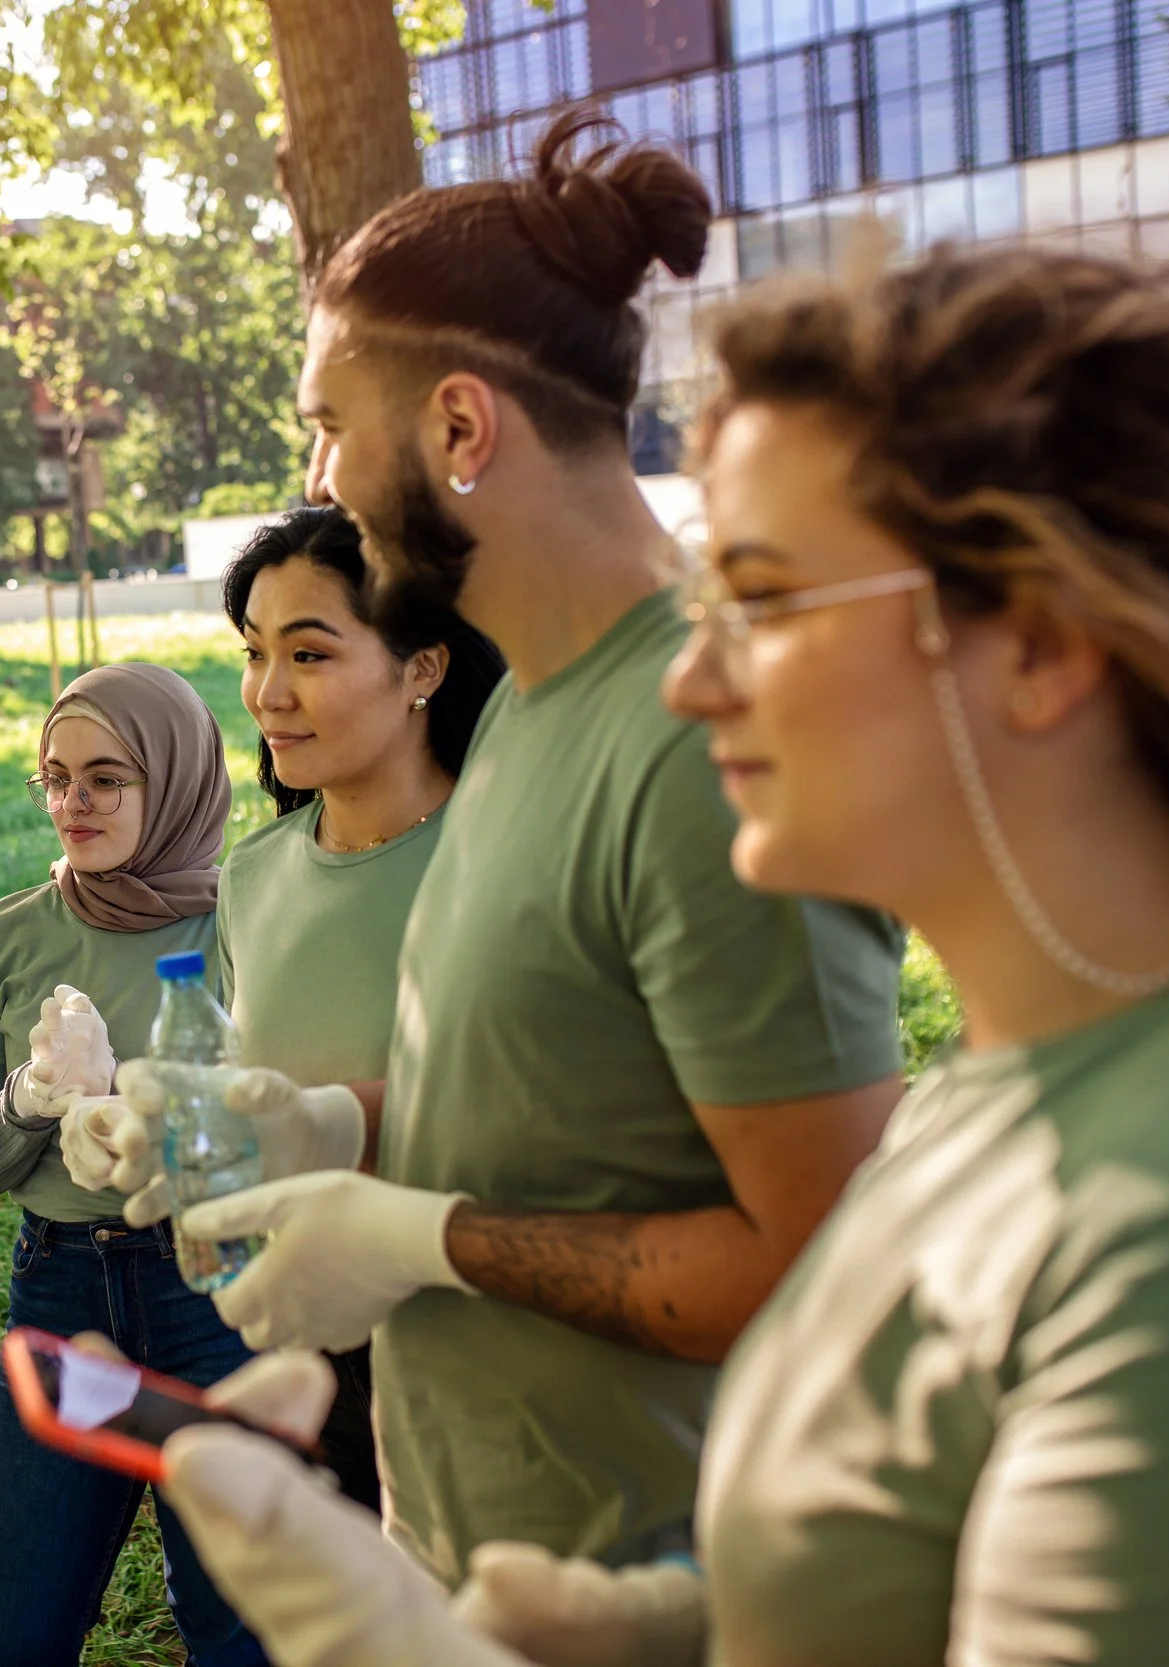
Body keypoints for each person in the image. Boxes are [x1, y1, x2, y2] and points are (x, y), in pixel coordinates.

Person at [152, 241, 1169, 1667]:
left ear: (1037, 642)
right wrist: (675, 1628)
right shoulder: (1006, 1086)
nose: (699, 676)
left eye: (766, 599)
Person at [164, 107, 909, 1582]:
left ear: (457, 425)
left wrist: (425, 1236)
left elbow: (816, 1255)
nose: (314, 470)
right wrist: (324, 1121)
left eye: (329, 420)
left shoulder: (709, 735)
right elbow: (551, 1086)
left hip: (639, 1580)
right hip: (465, 1554)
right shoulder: (522, 710)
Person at [63, 508, 505, 1511]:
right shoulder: (258, 871)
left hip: (479, 1330)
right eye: (254, 651)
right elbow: (245, 1078)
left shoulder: (500, 858)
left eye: (308, 651)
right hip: (298, 1337)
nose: (266, 692)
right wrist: (143, 1117)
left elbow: (529, 1102)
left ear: (422, 668)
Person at [0, 661, 266, 1667]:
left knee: (239, 1621)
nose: (72, 803)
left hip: (208, 1286)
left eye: (105, 777)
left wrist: (125, 1088)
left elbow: (271, 1128)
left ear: (171, 778)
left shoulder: (242, 923)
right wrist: (35, 1095)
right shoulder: (4, 936)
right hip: (63, 1292)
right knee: (11, 1624)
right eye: (54, 776)